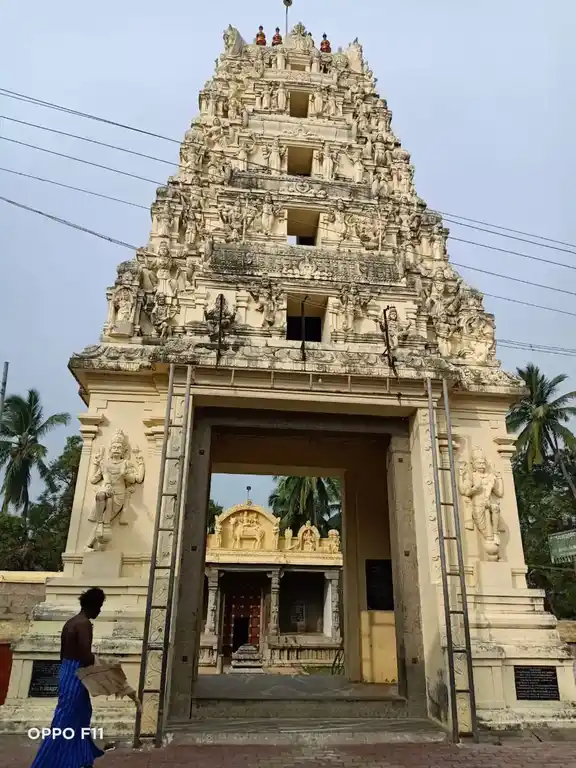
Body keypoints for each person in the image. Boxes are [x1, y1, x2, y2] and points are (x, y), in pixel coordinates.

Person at [31, 587, 106, 768]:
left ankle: (80, 759)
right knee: (66, 720)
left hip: (66, 671)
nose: (100, 610)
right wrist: (106, 667)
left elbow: (63, 654)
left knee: (79, 716)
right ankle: (46, 762)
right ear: (94, 606)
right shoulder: (84, 624)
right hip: (76, 675)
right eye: (100, 606)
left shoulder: (71, 622)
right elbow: (85, 656)